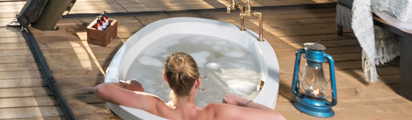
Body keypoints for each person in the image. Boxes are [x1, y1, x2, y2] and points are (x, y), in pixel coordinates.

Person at [94, 52, 285, 120]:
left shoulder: (156, 107)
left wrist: (129, 85)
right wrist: (242, 101)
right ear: (198, 81)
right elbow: (277, 118)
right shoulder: (215, 113)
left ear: (166, 79)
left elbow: (101, 90)